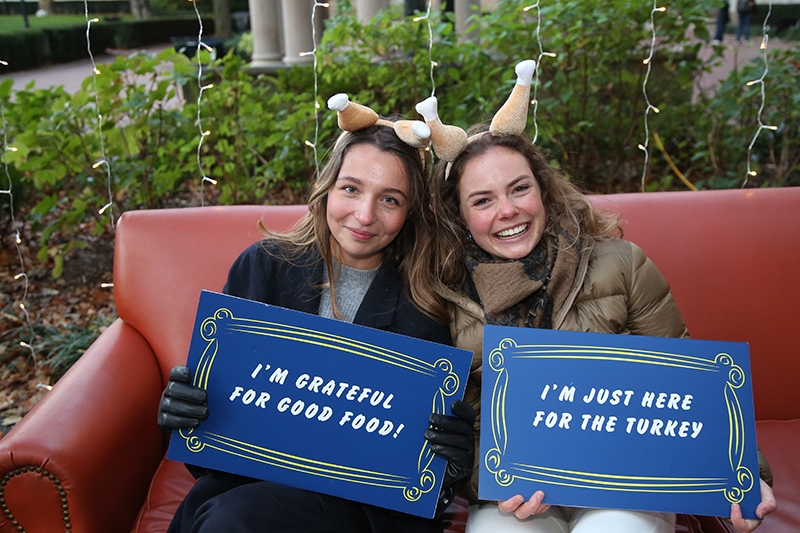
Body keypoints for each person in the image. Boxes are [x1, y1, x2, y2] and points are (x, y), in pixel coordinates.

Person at [421, 61, 777, 533]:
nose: (507, 211)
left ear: (543, 191)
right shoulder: (444, 296)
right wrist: (482, 478)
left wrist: (745, 477)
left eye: (519, 188)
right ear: (460, 216)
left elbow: (687, 384)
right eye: (482, 200)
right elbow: (456, 433)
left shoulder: (622, 263)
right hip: (521, 494)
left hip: (626, 477)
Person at [157, 98, 476, 533]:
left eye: (390, 199)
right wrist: (187, 414)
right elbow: (217, 443)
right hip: (249, 488)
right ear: (326, 187)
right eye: (351, 189)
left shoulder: (427, 302)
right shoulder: (264, 267)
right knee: (235, 515)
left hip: (365, 512)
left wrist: (453, 460)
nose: (365, 216)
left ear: (410, 212)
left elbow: (419, 468)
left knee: (238, 518)